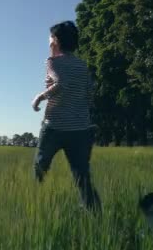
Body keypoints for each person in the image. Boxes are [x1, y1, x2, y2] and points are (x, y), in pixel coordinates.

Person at [31, 21, 101, 211]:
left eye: (50, 37)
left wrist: (40, 97)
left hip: (54, 126)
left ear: (55, 40)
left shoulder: (52, 62)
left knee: (40, 167)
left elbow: (61, 83)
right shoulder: (82, 65)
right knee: (82, 175)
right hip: (80, 129)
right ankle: (94, 213)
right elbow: (89, 93)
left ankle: (33, 204)